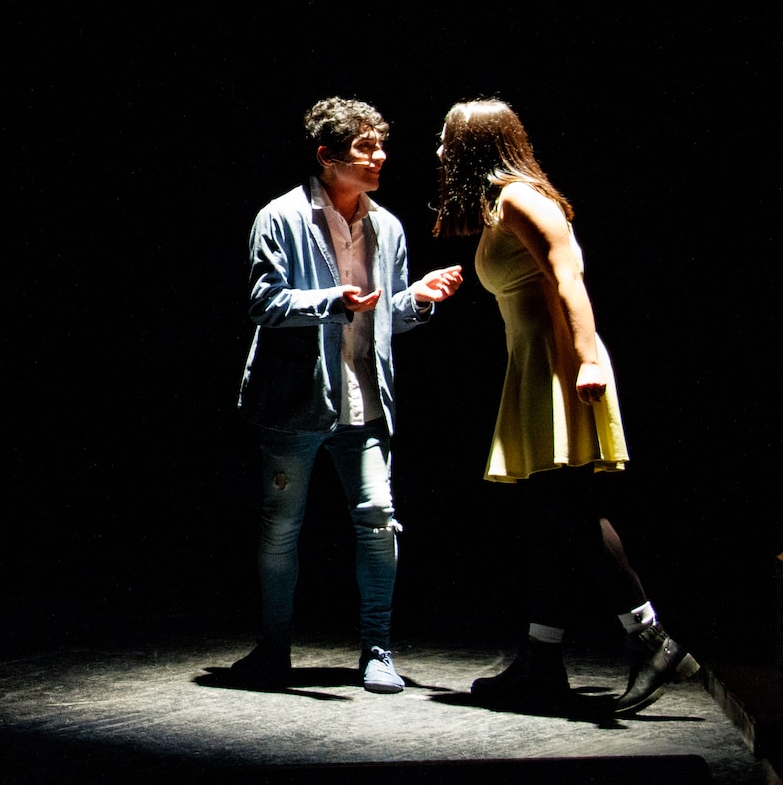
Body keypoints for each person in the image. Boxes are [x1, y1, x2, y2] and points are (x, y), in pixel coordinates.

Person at [432, 98, 698, 715]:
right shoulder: (500, 203)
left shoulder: (521, 197)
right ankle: (541, 658)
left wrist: (585, 359)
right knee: (547, 512)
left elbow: (566, 275)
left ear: (475, 146)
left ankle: (652, 637)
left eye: (447, 140)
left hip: (558, 367)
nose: (440, 152)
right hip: (533, 365)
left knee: (567, 506)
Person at [230, 97, 463, 694]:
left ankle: (377, 650)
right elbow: (263, 304)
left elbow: (389, 321)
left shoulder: (387, 226)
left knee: (379, 519)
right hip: (296, 403)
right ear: (326, 156)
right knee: (282, 527)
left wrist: (420, 298)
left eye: (381, 144)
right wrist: (330, 302)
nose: (379, 156)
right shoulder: (279, 218)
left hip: (365, 400)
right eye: (364, 146)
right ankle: (274, 648)